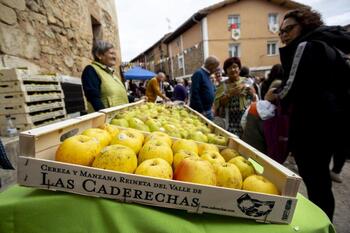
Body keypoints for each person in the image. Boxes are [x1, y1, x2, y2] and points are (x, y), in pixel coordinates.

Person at [265, 7, 350, 220]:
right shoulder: (329, 44)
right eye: (281, 32)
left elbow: (291, 85)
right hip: (331, 121)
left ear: (305, 25)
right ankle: (325, 220)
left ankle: (320, 222)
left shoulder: (306, 45)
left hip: (311, 125)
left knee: (315, 180)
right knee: (321, 180)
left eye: (289, 29)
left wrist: (273, 95)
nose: (283, 35)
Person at [82, 40, 128, 112]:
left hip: (120, 118)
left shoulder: (111, 74)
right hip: (106, 121)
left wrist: (135, 99)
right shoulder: (91, 70)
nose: (115, 57)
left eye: (115, 54)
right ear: (99, 55)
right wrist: (105, 115)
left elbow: (119, 95)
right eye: (112, 53)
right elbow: (93, 97)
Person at [214, 57, 256, 137]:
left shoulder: (247, 81)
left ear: (239, 69)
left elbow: (254, 98)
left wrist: (251, 92)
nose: (233, 69)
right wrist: (231, 94)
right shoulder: (222, 85)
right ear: (226, 71)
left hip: (246, 120)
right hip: (229, 122)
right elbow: (218, 103)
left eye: (235, 67)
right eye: (229, 68)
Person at [190, 56, 220, 120]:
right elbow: (194, 93)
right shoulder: (199, 73)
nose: (216, 70)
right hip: (202, 112)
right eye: (216, 67)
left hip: (208, 110)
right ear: (210, 66)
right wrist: (201, 110)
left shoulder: (207, 75)